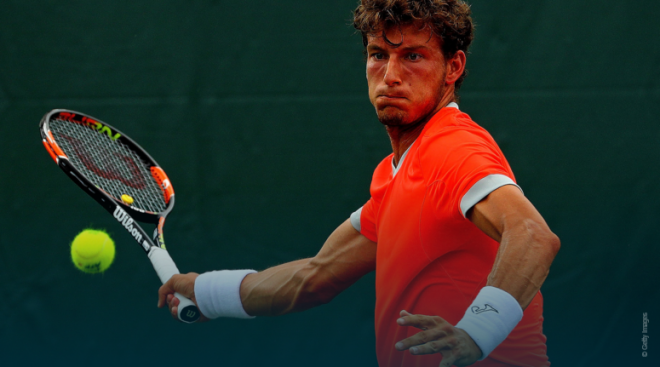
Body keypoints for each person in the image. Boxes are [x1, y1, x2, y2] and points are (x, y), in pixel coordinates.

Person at [157, 1, 560, 366]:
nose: (390, 76)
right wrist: (205, 291)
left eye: (413, 57)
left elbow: (533, 236)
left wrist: (478, 331)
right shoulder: (396, 174)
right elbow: (313, 278)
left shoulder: (451, 147)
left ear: (453, 68)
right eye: (378, 55)